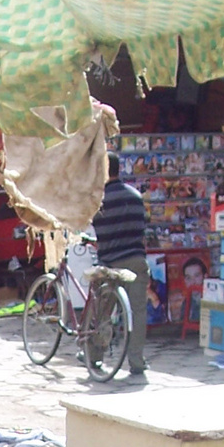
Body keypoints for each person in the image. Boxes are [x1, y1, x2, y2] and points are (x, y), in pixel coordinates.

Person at [88, 155, 150, 376]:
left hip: (109, 263)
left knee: (102, 312)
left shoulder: (98, 200)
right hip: (135, 260)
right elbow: (142, 229)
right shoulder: (135, 196)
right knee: (138, 311)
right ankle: (136, 361)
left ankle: (95, 357)